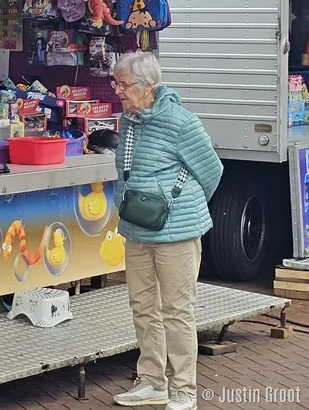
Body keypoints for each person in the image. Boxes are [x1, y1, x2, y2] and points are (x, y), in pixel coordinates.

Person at [111, 52, 223, 410]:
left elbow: (211, 172)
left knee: (177, 310)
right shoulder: (129, 120)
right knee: (142, 305)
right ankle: (152, 381)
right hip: (136, 228)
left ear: (148, 87)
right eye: (117, 83)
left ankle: (185, 390)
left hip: (176, 231)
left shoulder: (181, 122)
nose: (118, 91)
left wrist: (175, 207)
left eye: (124, 84)